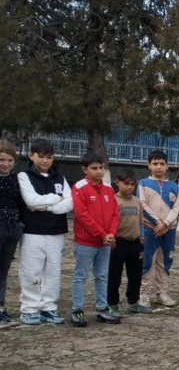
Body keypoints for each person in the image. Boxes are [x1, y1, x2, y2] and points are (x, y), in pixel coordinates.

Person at [17, 138, 73, 326]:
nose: (45, 161)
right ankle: (30, 308)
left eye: (49, 157)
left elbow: (70, 202)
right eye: (41, 157)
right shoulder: (24, 175)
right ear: (31, 155)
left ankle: (49, 307)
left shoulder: (59, 176)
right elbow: (31, 201)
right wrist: (56, 198)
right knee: (31, 271)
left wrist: (48, 207)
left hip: (56, 231)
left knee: (53, 271)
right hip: (33, 231)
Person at [70, 151, 119, 327]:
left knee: (101, 276)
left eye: (101, 167)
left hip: (105, 242)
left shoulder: (108, 188)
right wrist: (102, 234)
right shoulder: (79, 187)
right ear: (85, 169)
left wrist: (111, 234)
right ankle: (77, 309)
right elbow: (82, 215)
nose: (99, 171)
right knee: (80, 276)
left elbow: (114, 213)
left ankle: (101, 308)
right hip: (86, 242)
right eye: (94, 168)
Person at [138, 149, 179, 310]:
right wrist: (157, 222)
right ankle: (144, 294)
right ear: (149, 165)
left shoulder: (174, 186)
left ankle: (162, 292)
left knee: (165, 262)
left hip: (168, 231)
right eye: (155, 163)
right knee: (147, 262)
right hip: (150, 230)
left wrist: (166, 224)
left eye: (162, 164)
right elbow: (142, 204)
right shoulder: (143, 184)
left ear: (167, 166)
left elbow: (177, 208)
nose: (158, 167)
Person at [107, 169, 148, 316]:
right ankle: (112, 304)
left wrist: (141, 238)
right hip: (118, 243)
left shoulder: (137, 202)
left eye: (132, 184)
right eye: (126, 184)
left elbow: (141, 221)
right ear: (117, 183)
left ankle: (133, 302)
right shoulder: (113, 200)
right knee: (115, 275)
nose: (129, 187)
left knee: (135, 275)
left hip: (135, 243)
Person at [0, 140, 24, 328]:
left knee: (3, 270)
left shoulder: (16, 179)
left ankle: (1, 308)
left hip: (13, 227)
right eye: (1, 159)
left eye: (9, 160)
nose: (5, 164)